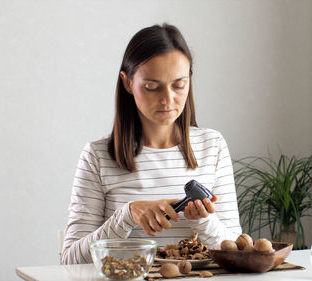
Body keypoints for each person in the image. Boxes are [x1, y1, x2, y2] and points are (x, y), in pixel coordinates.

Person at [61, 24, 242, 265]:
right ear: (127, 83)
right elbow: (71, 261)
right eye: (152, 87)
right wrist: (127, 215)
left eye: (179, 85)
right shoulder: (97, 157)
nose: (168, 99)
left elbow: (239, 252)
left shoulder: (213, 146)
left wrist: (203, 221)